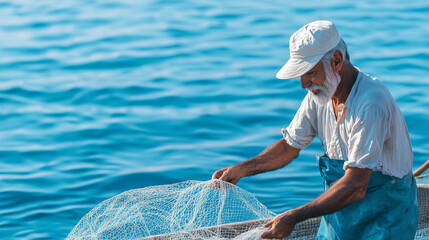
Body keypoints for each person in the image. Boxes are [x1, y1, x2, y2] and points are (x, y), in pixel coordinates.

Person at [212, 20, 419, 240]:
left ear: (337, 61)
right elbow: (289, 147)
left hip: (386, 218)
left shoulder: (371, 102)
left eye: (309, 72)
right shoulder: (320, 95)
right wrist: (242, 169)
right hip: (339, 216)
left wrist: (293, 216)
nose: (303, 83)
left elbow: (357, 185)